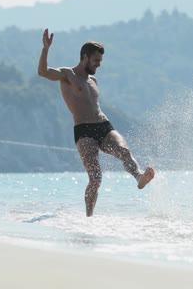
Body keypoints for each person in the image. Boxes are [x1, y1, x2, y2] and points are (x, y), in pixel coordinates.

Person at [37, 28, 155, 217]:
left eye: (100, 61)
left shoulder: (94, 80)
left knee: (124, 151)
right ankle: (89, 218)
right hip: (83, 130)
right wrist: (45, 49)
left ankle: (139, 176)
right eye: (96, 60)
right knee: (96, 178)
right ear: (85, 57)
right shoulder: (68, 75)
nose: (99, 64)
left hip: (103, 125)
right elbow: (43, 72)